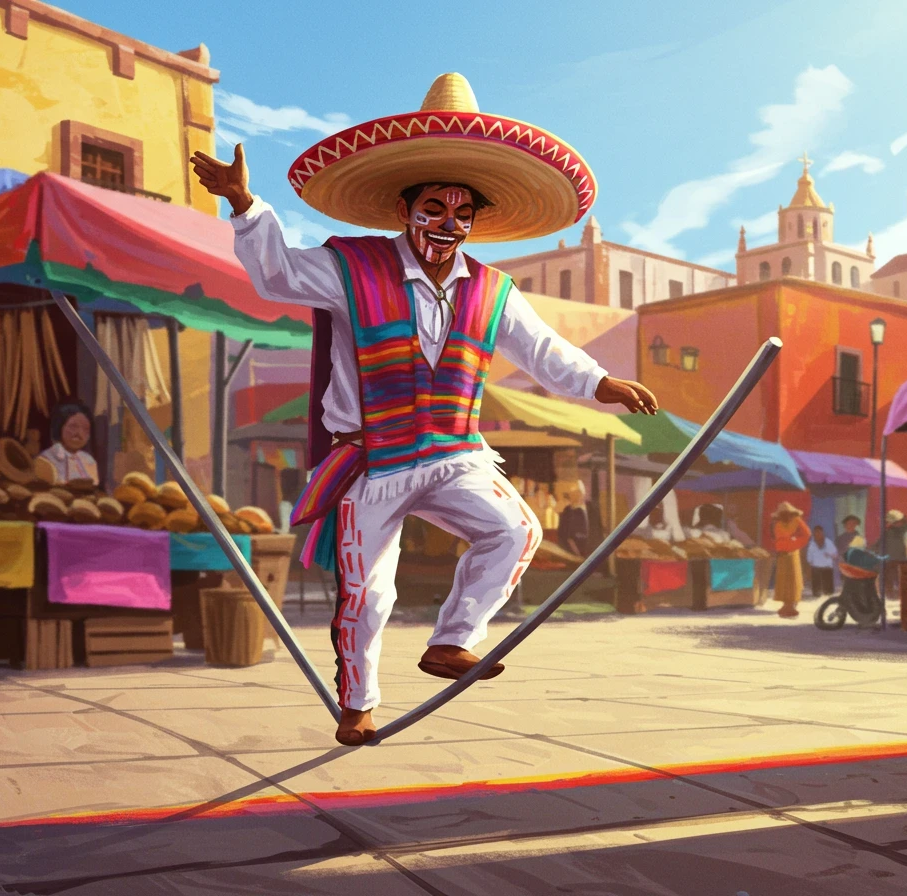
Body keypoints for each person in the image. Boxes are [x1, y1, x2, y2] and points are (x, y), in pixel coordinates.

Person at [193, 73, 658, 746]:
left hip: (452, 454)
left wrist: (603, 382)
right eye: (435, 206)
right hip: (372, 460)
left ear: (475, 222)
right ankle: (357, 704)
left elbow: (544, 352)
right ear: (405, 209)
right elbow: (276, 275)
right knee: (369, 593)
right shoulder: (351, 267)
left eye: (463, 211)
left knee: (517, 531)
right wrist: (244, 206)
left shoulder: (494, 291)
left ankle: (452, 642)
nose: (448, 221)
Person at [38, 400, 98, 485]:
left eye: (85, 429)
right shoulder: (46, 458)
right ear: (60, 426)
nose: (79, 434)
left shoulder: (89, 460)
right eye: (73, 426)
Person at [771, 502, 811, 618]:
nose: (785, 516)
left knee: (793, 579)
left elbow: (807, 534)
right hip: (782, 554)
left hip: (792, 553)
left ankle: (791, 605)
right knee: (783, 580)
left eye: (787, 513)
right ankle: (786, 604)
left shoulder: (796, 521)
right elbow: (778, 539)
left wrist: (795, 542)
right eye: (783, 514)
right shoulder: (778, 524)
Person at [882, 509, 907, 599]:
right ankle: (891, 596)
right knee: (889, 579)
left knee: (900, 579)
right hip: (890, 560)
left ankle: (899, 596)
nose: (891, 524)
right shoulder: (889, 531)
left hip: (902, 560)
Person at [557, 481, 590, 557]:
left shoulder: (590, 509)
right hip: (571, 552)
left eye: (578, 493)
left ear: (583, 494)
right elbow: (564, 536)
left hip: (589, 551)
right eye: (573, 494)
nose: (577, 496)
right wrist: (576, 554)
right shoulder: (567, 511)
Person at [806, 524, 838, 598]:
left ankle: (828, 597)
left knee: (828, 590)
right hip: (816, 568)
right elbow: (809, 556)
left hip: (827, 567)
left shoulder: (828, 542)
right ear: (813, 533)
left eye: (819, 532)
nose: (817, 534)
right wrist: (810, 562)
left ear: (822, 533)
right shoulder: (812, 544)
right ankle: (816, 597)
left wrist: (830, 555)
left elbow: (835, 554)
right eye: (815, 532)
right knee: (816, 589)